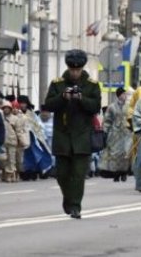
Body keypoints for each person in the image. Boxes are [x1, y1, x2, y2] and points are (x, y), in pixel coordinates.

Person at [44, 49, 101, 219]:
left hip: (82, 137)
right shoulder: (57, 84)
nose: (75, 73)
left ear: (82, 68)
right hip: (62, 136)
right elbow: (48, 104)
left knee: (78, 174)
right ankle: (68, 198)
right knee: (62, 174)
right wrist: (63, 97)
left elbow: (95, 107)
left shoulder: (91, 85)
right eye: (72, 69)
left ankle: (75, 206)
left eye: (78, 70)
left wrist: (80, 98)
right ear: (68, 68)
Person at [99, 88, 132, 182]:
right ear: (119, 95)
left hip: (126, 133)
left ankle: (124, 172)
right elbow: (107, 120)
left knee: (126, 153)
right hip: (115, 134)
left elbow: (132, 117)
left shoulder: (129, 106)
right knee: (115, 154)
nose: (125, 96)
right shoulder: (112, 107)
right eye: (123, 94)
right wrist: (105, 131)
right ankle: (116, 174)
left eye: (126, 94)